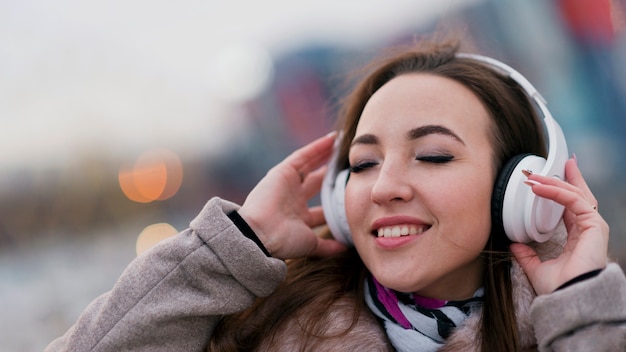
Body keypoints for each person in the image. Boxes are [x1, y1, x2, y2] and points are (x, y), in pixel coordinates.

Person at [45, 39, 626, 352]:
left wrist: (580, 317)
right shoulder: (254, 326)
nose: (383, 187)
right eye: (362, 163)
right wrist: (230, 251)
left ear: (522, 189)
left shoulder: (585, 329)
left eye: (433, 155)